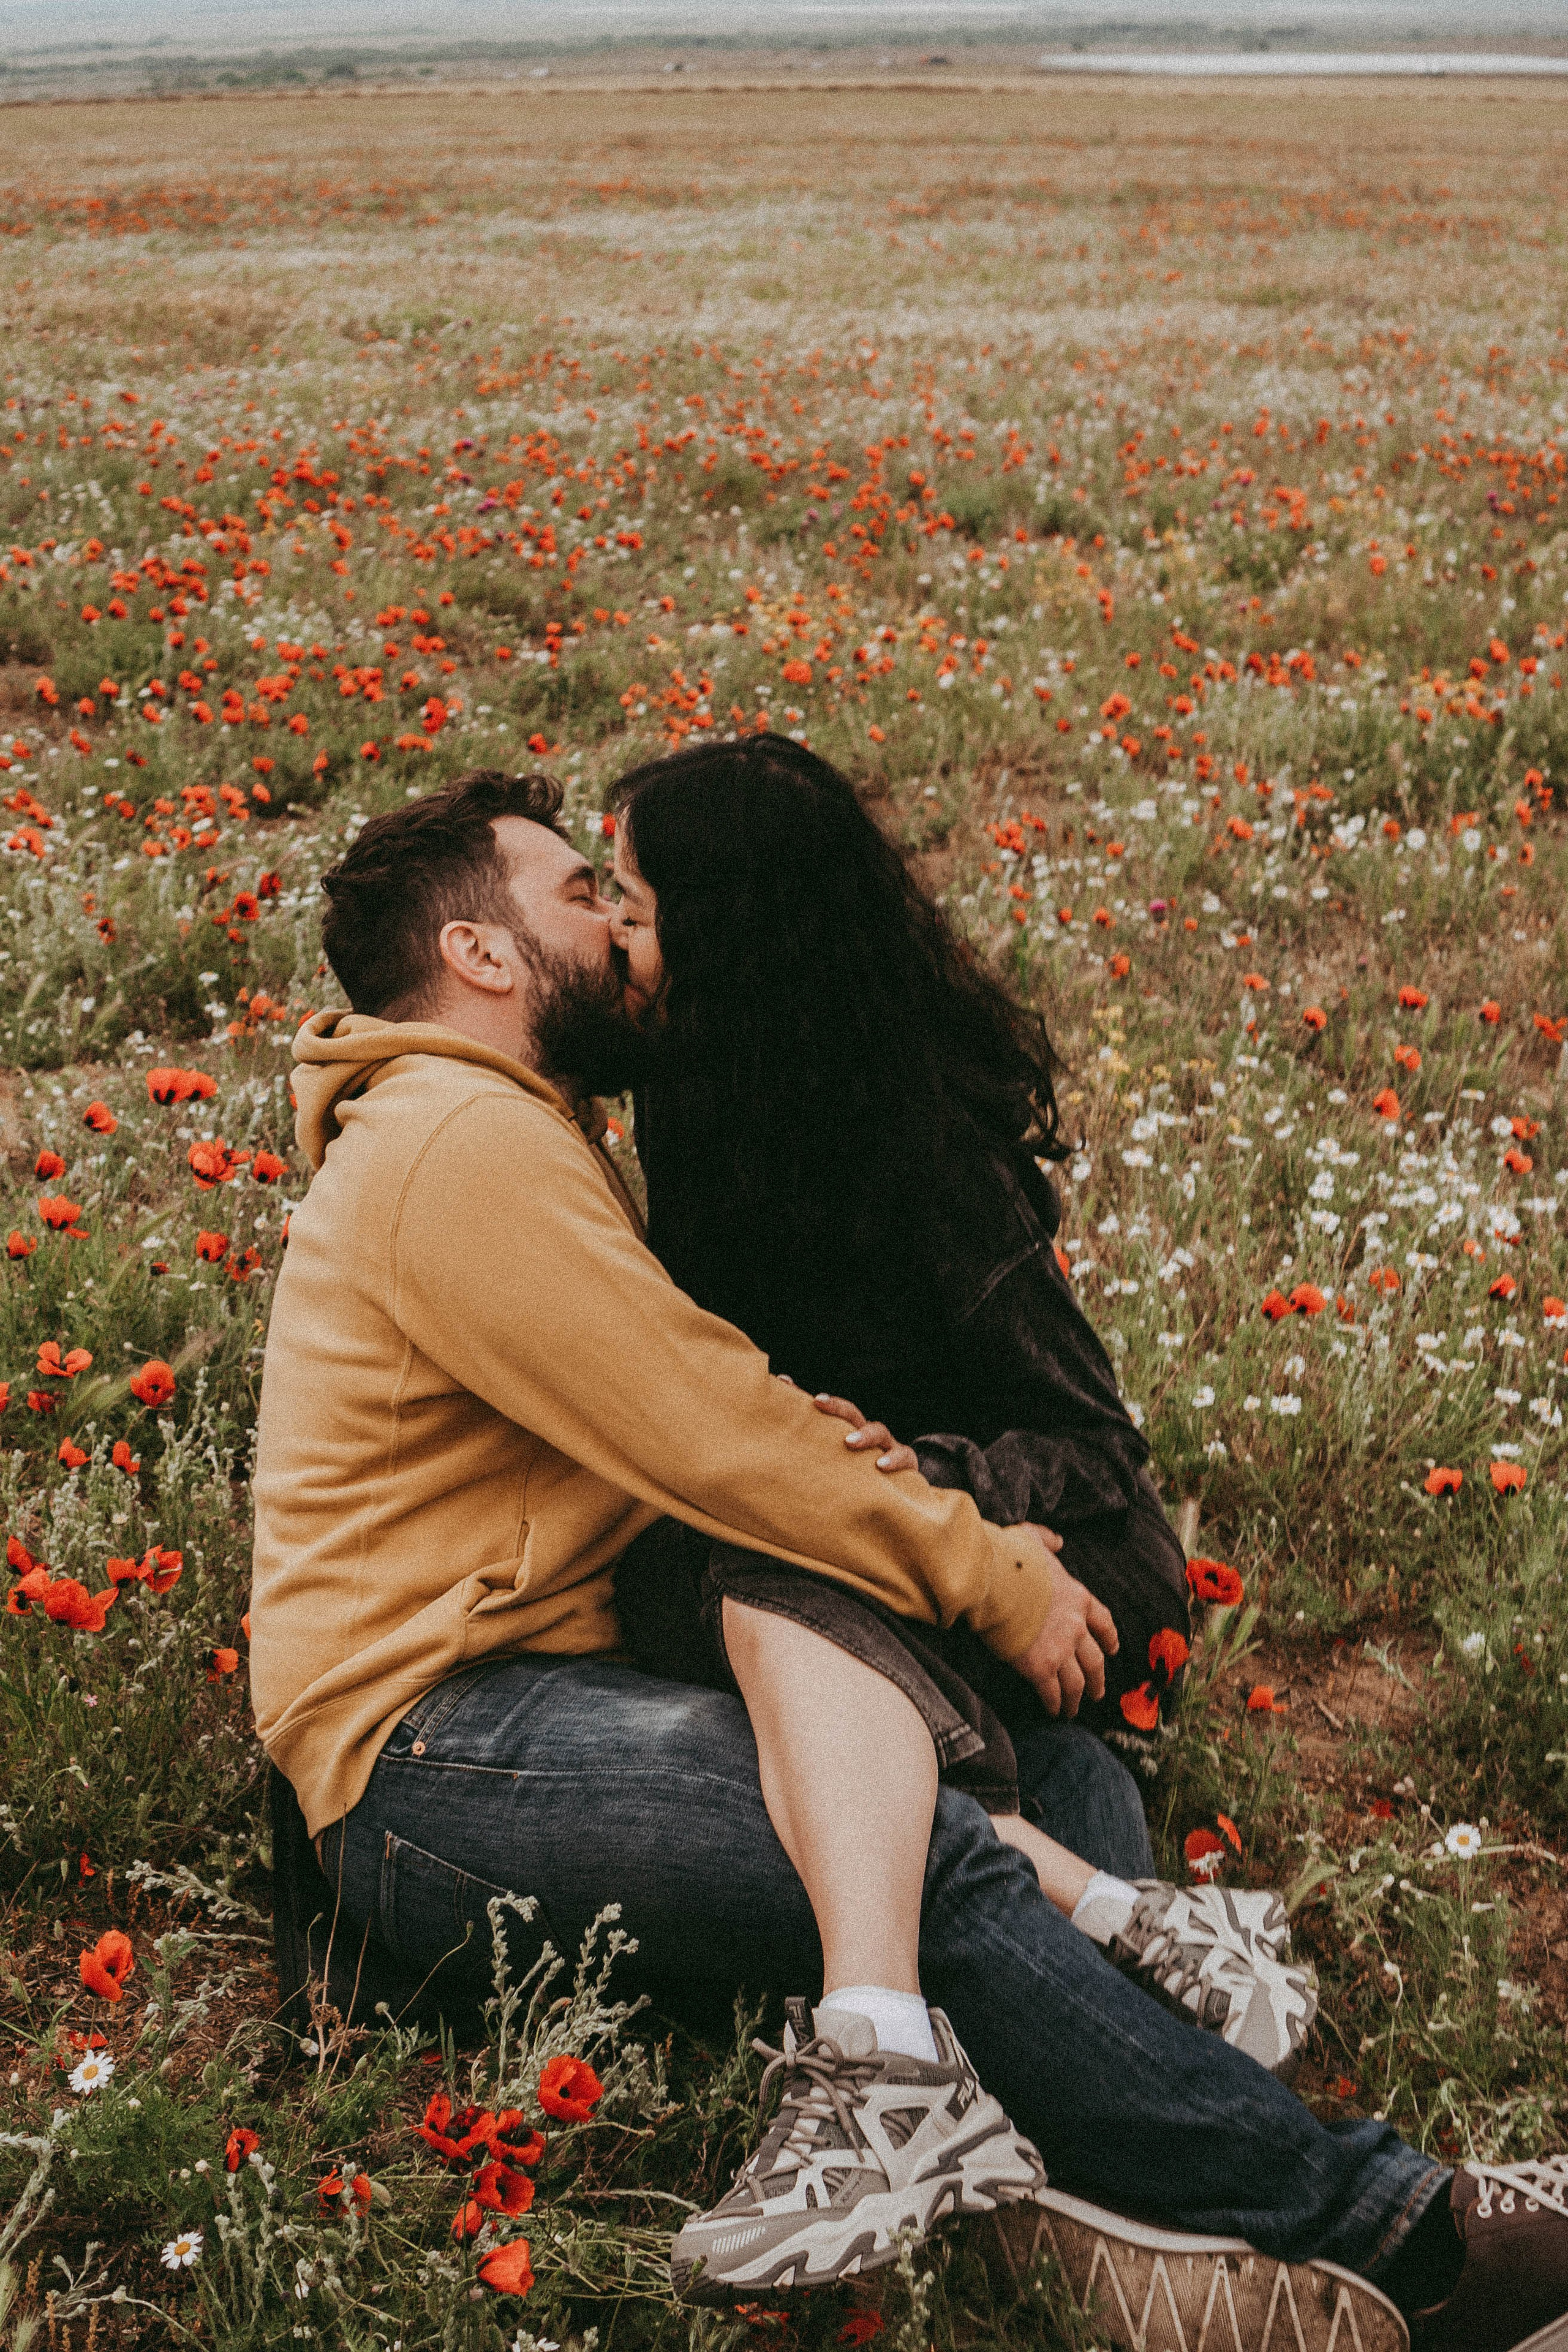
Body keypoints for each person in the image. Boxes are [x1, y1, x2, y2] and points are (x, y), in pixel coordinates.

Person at [250, 767, 1567, 2352]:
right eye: (581, 893)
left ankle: (1107, 2168)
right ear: (481, 954)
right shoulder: (457, 1144)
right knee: (905, 1841)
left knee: (1039, 1768)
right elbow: (712, 1431)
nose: (617, 918)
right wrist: (987, 1567)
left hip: (541, 1698)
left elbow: (728, 1423)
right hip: (433, 1755)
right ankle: (1407, 2241)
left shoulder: (512, 1131)